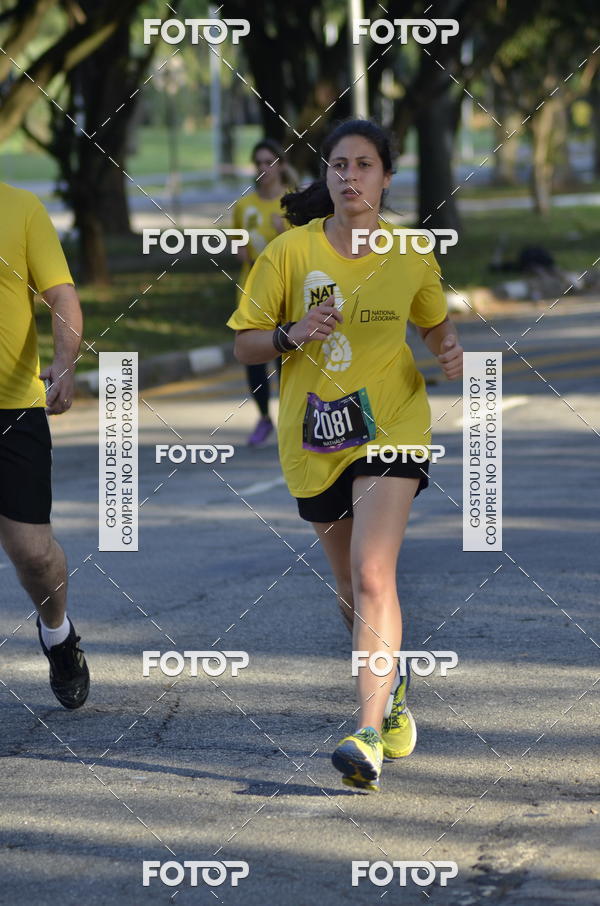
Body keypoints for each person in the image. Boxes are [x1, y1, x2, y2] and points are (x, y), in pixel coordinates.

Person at [227, 120, 463, 792]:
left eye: (364, 165)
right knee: (349, 590)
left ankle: (365, 732)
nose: (350, 176)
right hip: (316, 434)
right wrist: (292, 334)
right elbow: (244, 344)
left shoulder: (411, 252)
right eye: (338, 165)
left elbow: (435, 324)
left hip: (391, 424)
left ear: (386, 177)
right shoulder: (289, 254)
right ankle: (392, 681)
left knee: (372, 572)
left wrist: (448, 350)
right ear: (325, 176)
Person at [0, 182, 89, 709]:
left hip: (12, 408)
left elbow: (60, 295)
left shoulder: (20, 208)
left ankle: (58, 636)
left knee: (33, 555)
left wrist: (65, 362)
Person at [232, 139, 294, 445]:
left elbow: (306, 247)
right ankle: (264, 418)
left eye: (269, 161)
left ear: (281, 165)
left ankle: (289, 420)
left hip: (285, 294)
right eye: (258, 162)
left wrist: (283, 232)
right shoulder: (244, 206)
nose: (262, 168)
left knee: (285, 356)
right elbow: (238, 246)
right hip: (251, 291)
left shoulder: (292, 202)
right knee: (253, 358)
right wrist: (241, 250)